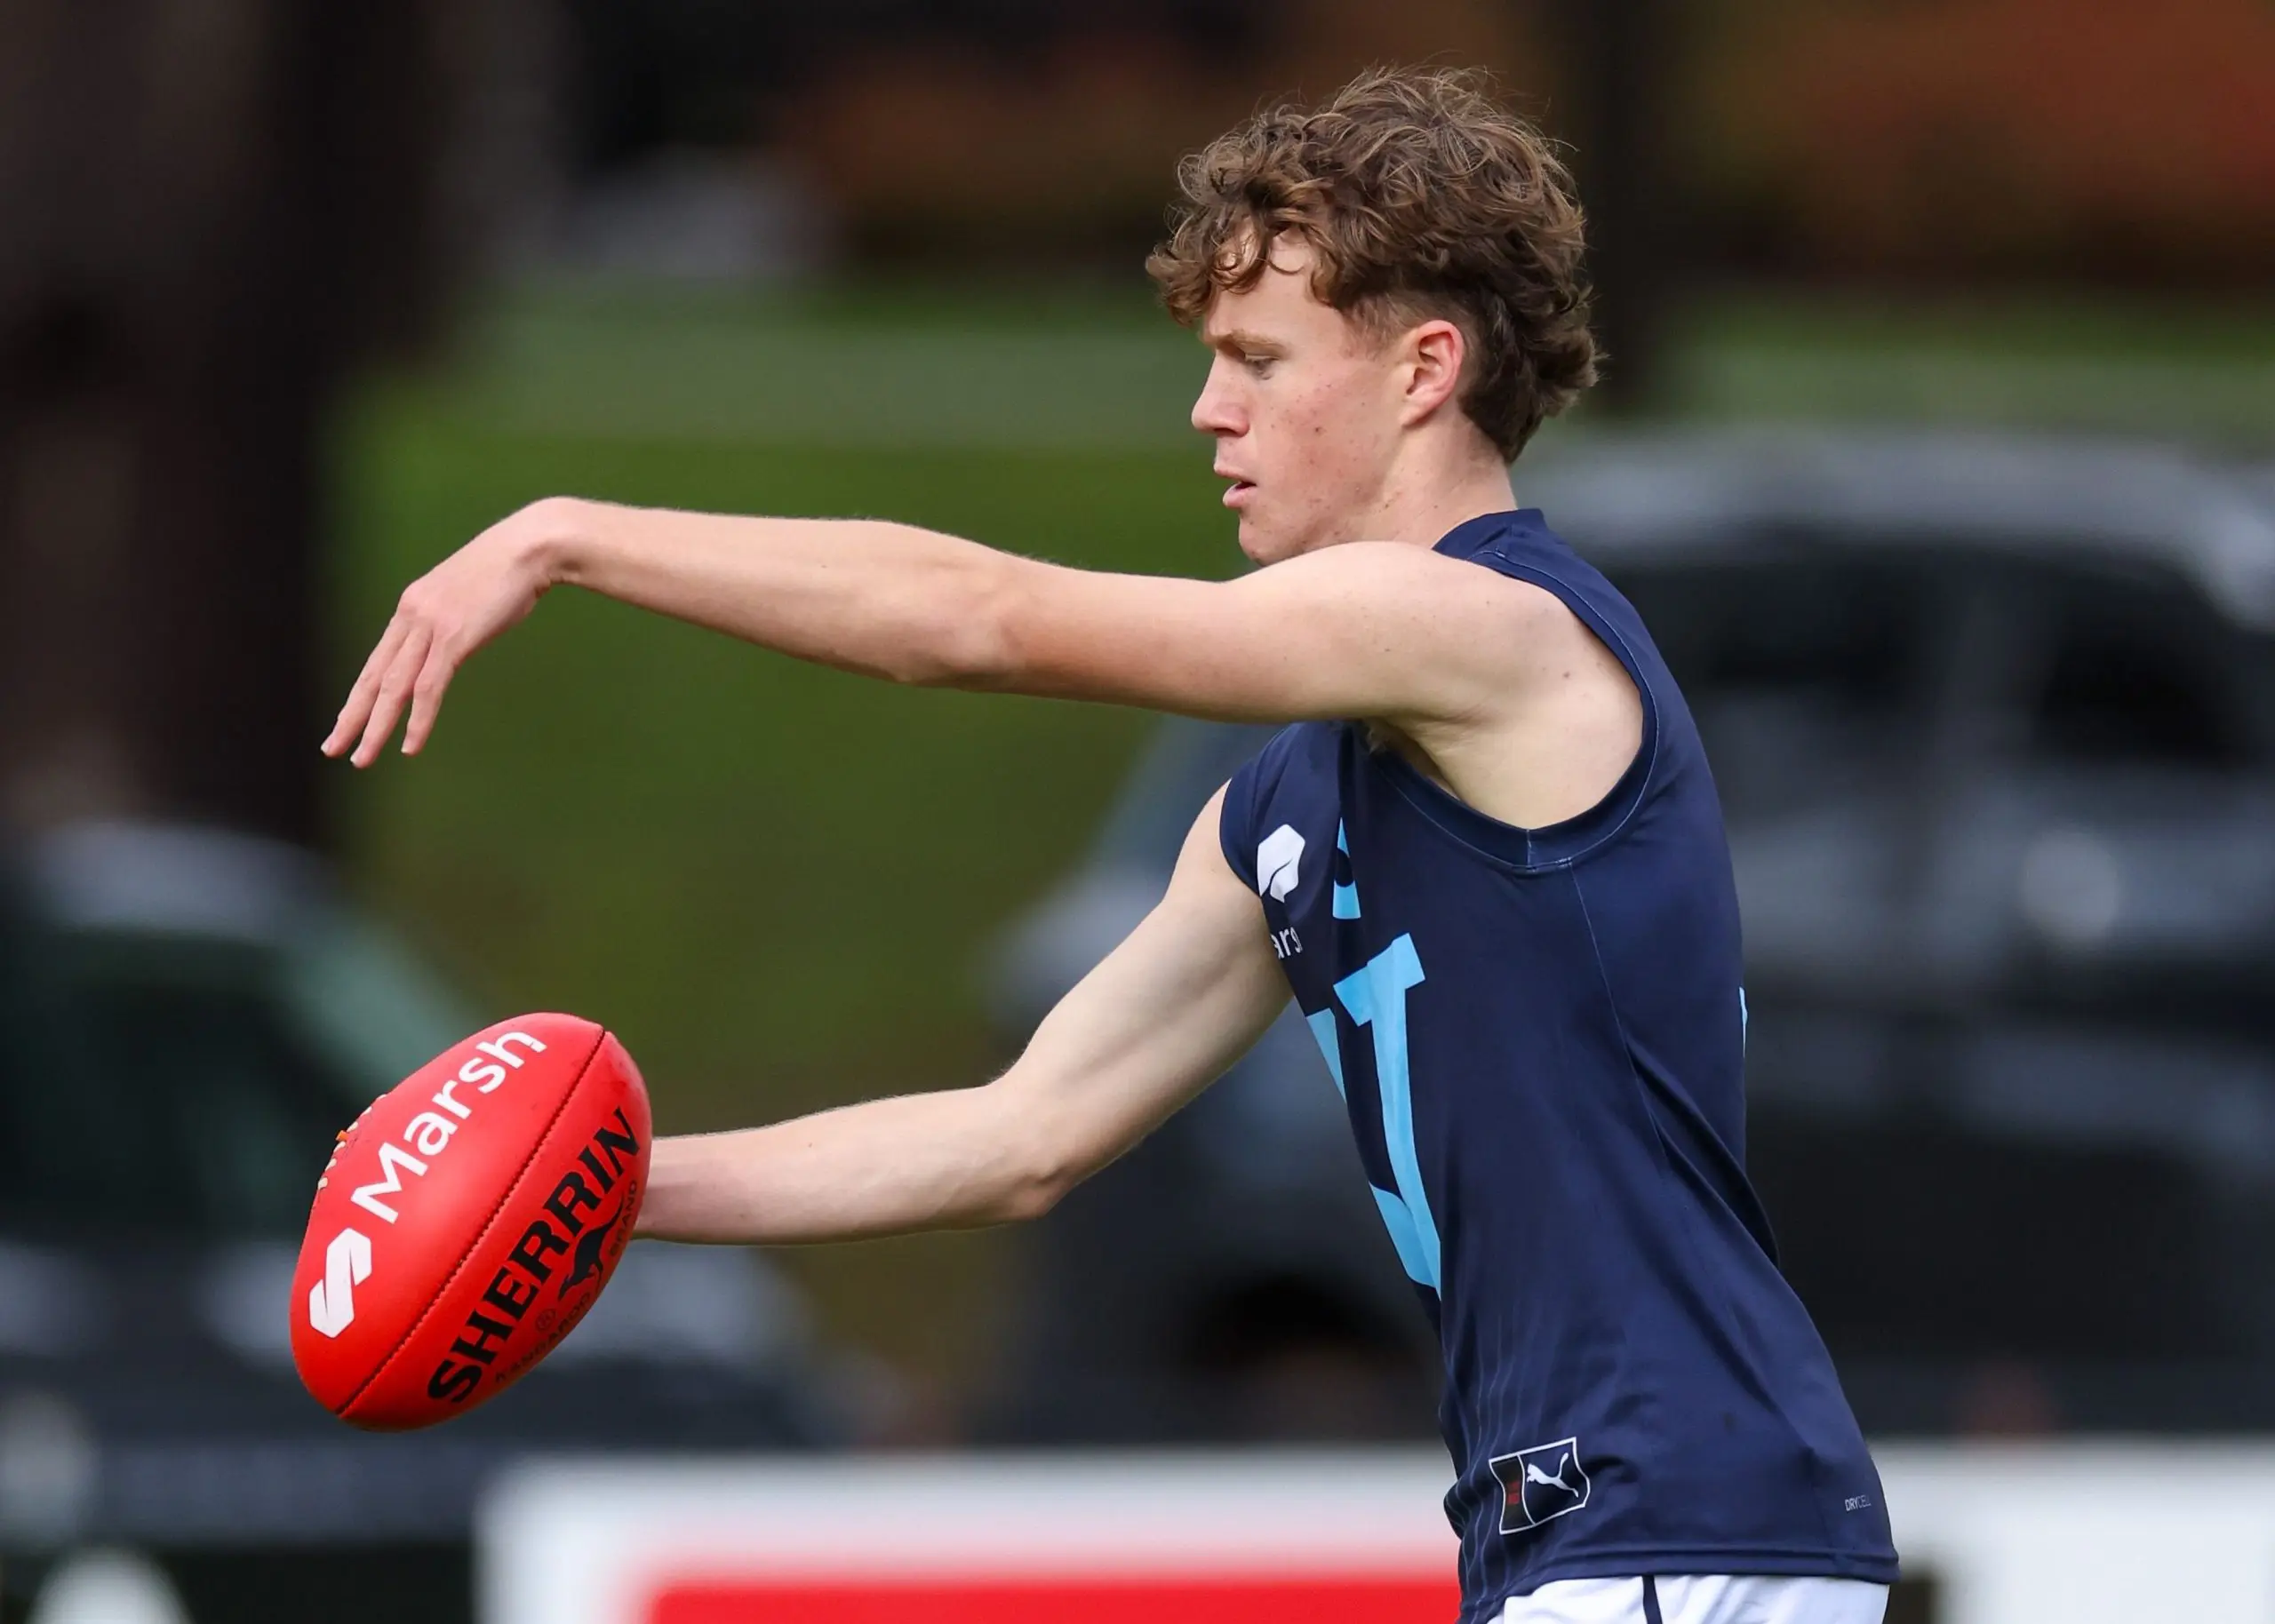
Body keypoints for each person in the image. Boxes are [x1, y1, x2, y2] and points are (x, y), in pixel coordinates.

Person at [325, 66, 1897, 1624]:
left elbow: (976, 622)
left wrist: (571, 537)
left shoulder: (1492, 632)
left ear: (1427, 368)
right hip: (1605, 1544)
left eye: (1259, 359)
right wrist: (571, 1199)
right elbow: (1022, 1137)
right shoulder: (1285, 811)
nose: (1211, 408)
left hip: (1677, 1526)